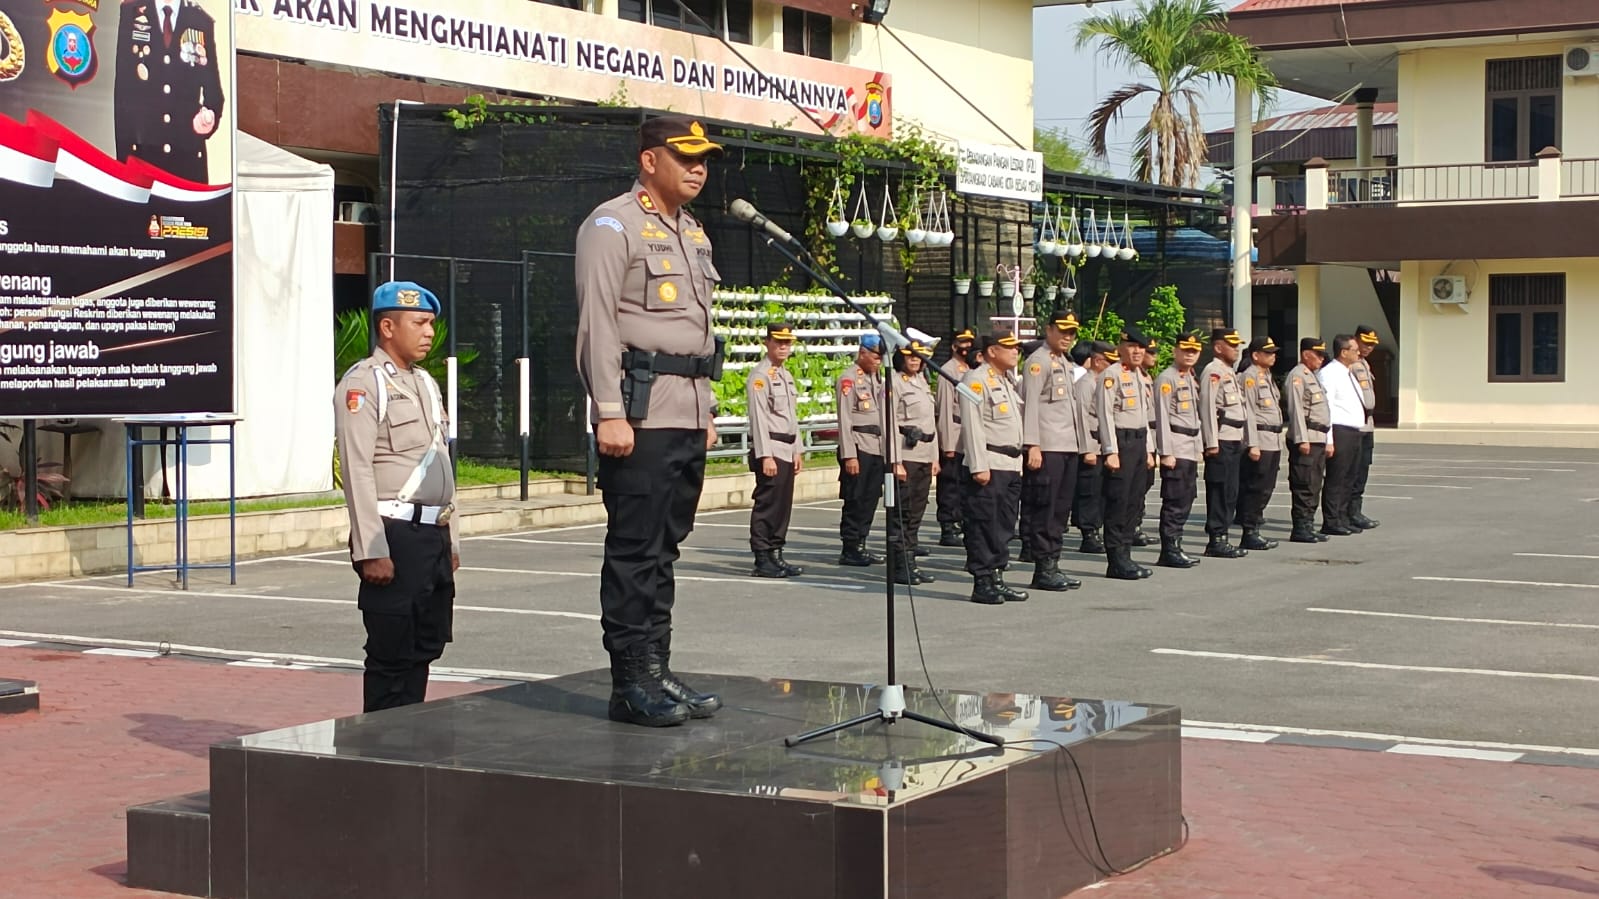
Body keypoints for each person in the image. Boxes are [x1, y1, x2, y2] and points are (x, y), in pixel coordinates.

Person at [575, 115, 725, 727]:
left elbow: (699, 331)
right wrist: (609, 411)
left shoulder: (693, 233)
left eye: (704, 159)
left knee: (666, 548)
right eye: (684, 156)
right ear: (648, 160)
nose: (698, 168)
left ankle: (657, 667)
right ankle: (630, 680)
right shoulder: (612, 225)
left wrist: (707, 409)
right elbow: (598, 325)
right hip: (638, 414)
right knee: (636, 549)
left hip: (686, 411)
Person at [334, 281, 459, 713]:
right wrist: (371, 547)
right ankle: (382, 754)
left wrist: (452, 539)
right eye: (419, 323)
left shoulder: (425, 383)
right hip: (395, 535)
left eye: (431, 324)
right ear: (388, 326)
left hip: (431, 537)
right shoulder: (364, 384)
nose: (429, 332)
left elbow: (440, 458)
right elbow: (356, 468)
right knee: (391, 653)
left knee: (424, 646)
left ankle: (410, 743)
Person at [115, 0, 226, 183]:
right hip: (144, 158)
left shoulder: (200, 20)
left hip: (187, 163)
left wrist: (208, 118)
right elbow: (123, 92)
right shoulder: (131, 11)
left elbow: (214, 95)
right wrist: (124, 162)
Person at [959, 333, 1029, 605]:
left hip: (1009, 464)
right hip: (989, 463)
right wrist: (978, 465)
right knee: (983, 524)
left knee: (1003, 526)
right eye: (1009, 348)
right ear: (991, 351)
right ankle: (983, 580)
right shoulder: (975, 380)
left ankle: (997, 576)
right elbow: (972, 424)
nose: (1015, 353)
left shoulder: (1007, 380)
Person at [1020, 311, 1088, 591]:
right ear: (1048, 330)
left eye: (1071, 332)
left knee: (1061, 508)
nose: (1067, 337)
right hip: (1047, 446)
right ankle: (1043, 567)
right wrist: (1032, 444)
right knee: (1045, 507)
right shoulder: (1038, 361)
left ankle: (1053, 562)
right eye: (1062, 331)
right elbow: (1030, 405)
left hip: (1067, 445)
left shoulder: (1065, 362)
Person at [1096, 327, 1157, 580]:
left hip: (1139, 441)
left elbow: (1145, 417)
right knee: (1118, 502)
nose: (1137, 351)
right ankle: (1116, 558)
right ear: (1120, 348)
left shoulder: (1141, 377)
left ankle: (1127, 553)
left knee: (1134, 501)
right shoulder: (1111, 375)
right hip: (1121, 442)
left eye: (1141, 348)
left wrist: (1150, 449)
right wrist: (1111, 450)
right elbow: (1105, 414)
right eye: (1132, 346)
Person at [747, 323, 804, 579]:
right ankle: (762, 557)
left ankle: (776, 553)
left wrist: (797, 449)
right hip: (770, 447)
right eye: (778, 342)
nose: (783, 347)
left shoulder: (785, 375)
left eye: (787, 343)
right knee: (768, 504)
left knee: (782, 506)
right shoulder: (760, 376)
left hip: (786, 447)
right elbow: (758, 418)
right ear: (767, 342)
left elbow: (792, 416)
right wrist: (765, 455)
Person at [1199, 328, 1256, 559]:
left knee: (1231, 490)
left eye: (1238, 345)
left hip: (1234, 439)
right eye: (1232, 345)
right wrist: (1211, 442)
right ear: (1218, 347)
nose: (1237, 349)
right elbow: (1208, 408)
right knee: (1220, 489)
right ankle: (1216, 538)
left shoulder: (1228, 372)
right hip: (1221, 440)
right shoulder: (1213, 371)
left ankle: (1223, 535)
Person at [1152, 331, 1205, 568]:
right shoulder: (1167, 378)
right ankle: (1169, 549)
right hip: (1176, 446)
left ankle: (1177, 544)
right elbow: (1161, 416)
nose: (1190, 354)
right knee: (1174, 499)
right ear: (1175, 351)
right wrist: (1165, 451)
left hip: (1190, 447)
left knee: (1186, 497)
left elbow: (1196, 416)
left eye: (1194, 351)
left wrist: (1200, 446)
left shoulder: (1190, 378)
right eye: (1185, 350)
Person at [889, 341, 939, 585]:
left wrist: (935, 457)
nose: (915, 361)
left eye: (919, 357)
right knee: (903, 511)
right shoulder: (895, 383)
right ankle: (900, 564)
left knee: (917, 511)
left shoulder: (922, 382)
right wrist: (894, 461)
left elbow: (931, 423)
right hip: (905, 455)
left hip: (924, 454)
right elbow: (888, 423)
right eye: (910, 357)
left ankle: (910, 560)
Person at [836, 334, 888, 566]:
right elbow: (844, 419)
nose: (878, 361)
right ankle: (850, 546)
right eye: (875, 356)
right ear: (863, 352)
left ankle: (861, 542)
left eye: (880, 358)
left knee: (870, 498)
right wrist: (849, 454)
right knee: (855, 498)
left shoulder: (878, 379)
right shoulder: (849, 379)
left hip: (876, 446)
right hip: (858, 445)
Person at [1237, 336, 1284, 551]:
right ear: (1256, 355)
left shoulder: (1266, 376)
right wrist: (1252, 444)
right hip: (1260, 439)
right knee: (1255, 487)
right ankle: (1249, 531)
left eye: (1274, 353)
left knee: (1266, 486)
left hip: (1272, 439)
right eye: (1268, 353)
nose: (1273, 356)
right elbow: (1249, 412)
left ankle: (1254, 525)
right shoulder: (1250, 377)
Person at [1284, 338, 1333, 544]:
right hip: (1307, 439)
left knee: (1314, 483)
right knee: (1304, 483)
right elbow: (1295, 410)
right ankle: (1301, 527)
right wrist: (1301, 439)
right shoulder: (1298, 376)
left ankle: (1309, 524)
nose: (1321, 359)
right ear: (1305, 354)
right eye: (1318, 354)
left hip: (1318, 437)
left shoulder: (1313, 377)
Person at [1319, 334, 1365, 536]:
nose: (1358, 353)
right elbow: (1326, 407)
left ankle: (1343, 516)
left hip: (1353, 430)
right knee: (1336, 478)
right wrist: (1328, 439)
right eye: (1354, 349)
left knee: (1349, 477)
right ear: (1343, 352)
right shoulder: (1330, 373)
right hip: (1339, 429)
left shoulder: (1348, 372)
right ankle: (1331, 519)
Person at [935, 328, 977, 547]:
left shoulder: (972, 370)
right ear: (954, 346)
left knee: (963, 483)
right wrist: (947, 443)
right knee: (950, 484)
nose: (967, 346)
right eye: (963, 343)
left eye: (970, 342)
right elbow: (943, 408)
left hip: (968, 435)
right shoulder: (947, 370)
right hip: (954, 431)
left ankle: (960, 521)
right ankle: (948, 525)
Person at [1071, 341, 1113, 554]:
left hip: (1103, 444)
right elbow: (1081, 417)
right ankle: (1089, 533)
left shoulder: (1104, 382)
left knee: (1102, 490)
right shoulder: (1087, 383)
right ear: (1097, 361)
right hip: (1091, 444)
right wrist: (1086, 448)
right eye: (1109, 361)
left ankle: (1097, 528)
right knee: (1089, 491)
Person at [1348, 326, 1382, 529]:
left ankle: (1355, 511)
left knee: (1363, 469)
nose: (1368, 347)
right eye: (1365, 343)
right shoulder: (1351, 365)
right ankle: (1348, 512)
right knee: (1353, 470)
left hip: (1367, 424)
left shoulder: (1364, 364)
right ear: (1356, 340)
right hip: (1355, 424)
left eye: (1372, 344)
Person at [1133, 339, 1162, 548]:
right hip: (1140, 438)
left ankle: (1136, 524)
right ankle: (1131, 527)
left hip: (1151, 435)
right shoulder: (1134, 377)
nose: (1154, 356)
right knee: (1136, 486)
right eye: (1150, 352)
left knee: (1145, 484)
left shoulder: (1147, 377)